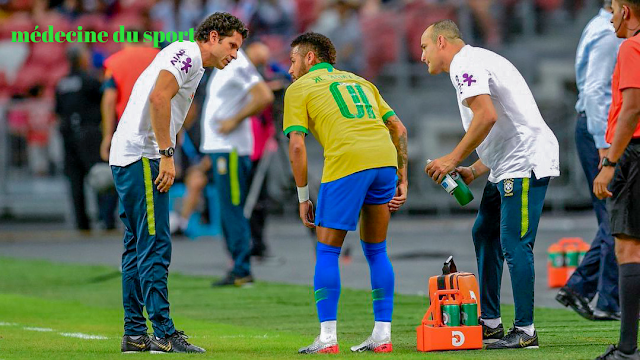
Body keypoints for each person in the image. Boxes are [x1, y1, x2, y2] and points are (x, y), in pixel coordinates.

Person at [109, 12, 248, 353]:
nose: (234, 54)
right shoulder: (187, 53)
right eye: (232, 45)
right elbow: (159, 98)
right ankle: (163, 333)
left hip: (128, 154)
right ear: (212, 37)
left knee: (137, 245)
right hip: (143, 155)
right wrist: (166, 153)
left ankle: (135, 333)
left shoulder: (190, 61)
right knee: (155, 245)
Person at [422, 20, 560, 349]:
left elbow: (486, 116)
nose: (422, 56)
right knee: (484, 232)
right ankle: (490, 322)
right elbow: (508, 119)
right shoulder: (476, 61)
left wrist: (453, 159)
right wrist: (474, 169)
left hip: (524, 162)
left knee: (514, 243)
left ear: (441, 42)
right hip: (506, 164)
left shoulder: (465, 65)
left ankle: (525, 331)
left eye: (424, 48)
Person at [284, 32, 408, 354]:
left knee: (327, 252)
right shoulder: (361, 81)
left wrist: (302, 197)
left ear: (310, 58)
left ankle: (327, 339)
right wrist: (402, 178)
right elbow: (399, 128)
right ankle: (382, 336)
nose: (289, 69)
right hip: (384, 161)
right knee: (377, 251)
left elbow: (297, 144)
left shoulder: (298, 89)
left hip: (347, 162)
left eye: (293, 60)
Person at [556, 0, 623, 322]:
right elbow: (596, 90)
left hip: (598, 126)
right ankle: (607, 299)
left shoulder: (601, 26)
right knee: (616, 214)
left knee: (613, 214)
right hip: (601, 129)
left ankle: (583, 288)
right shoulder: (611, 33)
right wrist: (603, 143)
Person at [200, 46, 274, 287]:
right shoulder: (227, 64)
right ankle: (238, 265)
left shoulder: (237, 63)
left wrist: (235, 119)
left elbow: (264, 96)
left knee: (232, 208)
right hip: (221, 148)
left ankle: (242, 268)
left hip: (230, 149)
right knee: (227, 208)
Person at [593, 0, 640, 358]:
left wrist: (610, 160)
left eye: (612, 9)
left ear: (625, 9)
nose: (610, 17)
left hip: (633, 154)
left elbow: (632, 108)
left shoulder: (632, 46)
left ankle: (626, 350)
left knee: (629, 247)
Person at [55, 45, 116, 231]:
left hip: (68, 135)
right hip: (89, 134)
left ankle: (82, 223)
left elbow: (58, 111)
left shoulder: (62, 83)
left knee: (75, 179)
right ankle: (106, 220)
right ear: (82, 59)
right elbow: (106, 101)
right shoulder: (90, 81)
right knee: (101, 175)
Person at [100, 28, 160, 162]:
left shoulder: (114, 62)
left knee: (137, 172)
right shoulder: (160, 56)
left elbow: (109, 100)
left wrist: (108, 136)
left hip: (130, 127)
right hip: (160, 123)